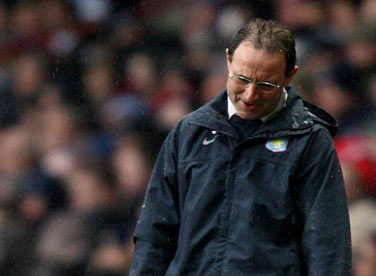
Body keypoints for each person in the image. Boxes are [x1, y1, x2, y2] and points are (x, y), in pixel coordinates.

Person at [129, 18, 351, 276]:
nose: (250, 95)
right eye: (242, 79)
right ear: (228, 61)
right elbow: (155, 232)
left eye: (266, 85)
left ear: (290, 76)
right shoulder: (189, 133)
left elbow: (327, 245)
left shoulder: (310, 141)